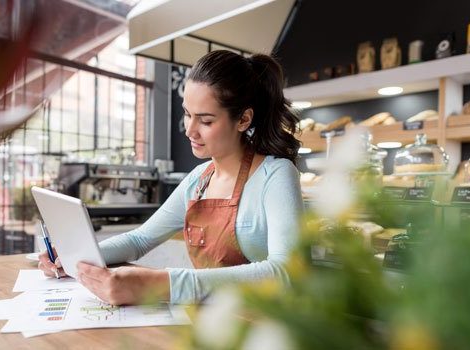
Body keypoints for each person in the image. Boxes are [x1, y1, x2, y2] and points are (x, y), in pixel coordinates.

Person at [39, 50, 303, 305]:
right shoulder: (198, 180)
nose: (190, 130)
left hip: (265, 326)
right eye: (187, 114)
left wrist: (160, 283)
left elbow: (285, 273)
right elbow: (139, 239)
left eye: (206, 121)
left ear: (243, 119)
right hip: (214, 324)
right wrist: (74, 257)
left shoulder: (276, 175)